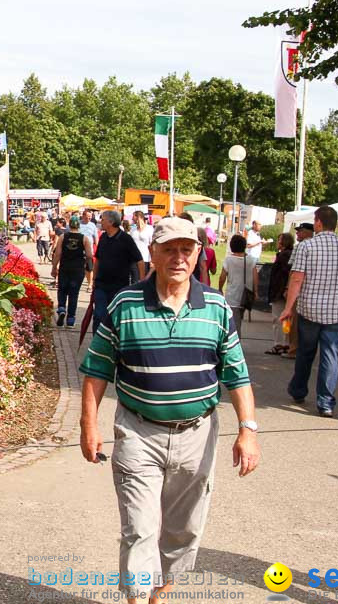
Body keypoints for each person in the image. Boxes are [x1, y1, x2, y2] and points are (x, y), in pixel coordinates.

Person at [79, 217, 259, 604]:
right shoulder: (123, 305)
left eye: (187, 249)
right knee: (139, 528)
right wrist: (88, 426)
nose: (179, 257)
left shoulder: (216, 308)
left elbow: (237, 375)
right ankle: (137, 597)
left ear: (198, 254)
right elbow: (96, 371)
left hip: (197, 434)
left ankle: (160, 591)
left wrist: (248, 430)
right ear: (153, 253)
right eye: (169, 249)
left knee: (183, 529)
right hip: (138, 432)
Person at [278, 205, 338, 417]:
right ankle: (325, 402)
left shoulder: (306, 247)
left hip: (310, 309)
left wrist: (288, 308)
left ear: (318, 222)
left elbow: (297, 278)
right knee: (330, 355)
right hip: (337, 312)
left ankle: (298, 390)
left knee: (305, 353)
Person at [91, 210, 145, 332]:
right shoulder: (103, 237)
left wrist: (142, 281)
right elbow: (98, 259)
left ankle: (112, 343)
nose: (101, 221)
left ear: (111, 222)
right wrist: (94, 279)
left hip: (119, 287)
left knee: (114, 317)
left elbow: (139, 260)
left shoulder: (126, 239)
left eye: (103, 219)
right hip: (101, 284)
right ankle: (96, 344)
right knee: (99, 314)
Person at [51, 215, 94, 329]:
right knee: (74, 294)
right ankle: (70, 320)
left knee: (62, 290)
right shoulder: (84, 238)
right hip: (78, 269)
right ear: (79, 225)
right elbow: (90, 255)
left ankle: (61, 309)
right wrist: (85, 258)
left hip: (65, 267)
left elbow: (58, 254)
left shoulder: (63, 237)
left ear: (70, 225)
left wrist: (54, 267)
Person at [281, 223, 314, 359]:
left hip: (298, 290)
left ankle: (293, 348)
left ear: (307, 232)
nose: (297, 234)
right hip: (312, 291)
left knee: (292, 320)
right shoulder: (317, 246)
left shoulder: (301, 247)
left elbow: (294, 272)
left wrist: (288, 288)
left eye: (300, 231)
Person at [263, 232, 295, 355]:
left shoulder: (284, 256)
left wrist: (282, 290)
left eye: (279, 240)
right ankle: (285, 343)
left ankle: (279, 344)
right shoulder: (288, 255)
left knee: (277, 318)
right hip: (283, 291)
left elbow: (284, 275)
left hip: (280, 292)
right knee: (286, 320)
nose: (277, 243)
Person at [218, 234, 256, 335]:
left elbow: (222, 277)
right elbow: (256, 278)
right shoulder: (251, 260)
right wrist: (255, 292)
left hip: (232, 295)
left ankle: (235, 342)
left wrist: (220, 288)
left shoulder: (229, 260)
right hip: (246, 295)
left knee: (234, 322)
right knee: (239, 319)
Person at [79, 210, 99, 292]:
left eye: (90, 217)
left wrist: (97, 247)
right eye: (88, 217)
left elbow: (95, 237)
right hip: (79, 249)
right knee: (80, 268)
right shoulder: (79, 224)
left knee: (89, 268)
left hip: (89, 250)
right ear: (83, 216)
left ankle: (90, 284)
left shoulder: (93, 225)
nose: (89, 218)